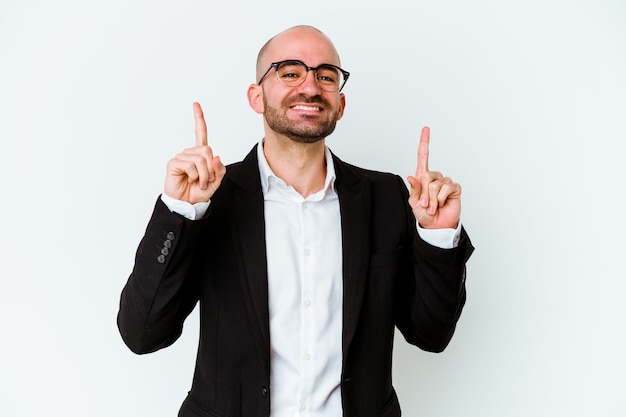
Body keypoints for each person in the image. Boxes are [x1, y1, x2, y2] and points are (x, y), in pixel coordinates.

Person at [117, 25, 474, 417]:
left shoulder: (389, 198)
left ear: (340, 103)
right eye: (290, 72)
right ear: (256, 96)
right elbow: (143, 333)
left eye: (326, 76)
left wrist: (438, 237)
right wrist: (179, 211)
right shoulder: (211, 199)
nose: (310, 87)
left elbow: (431, 335)